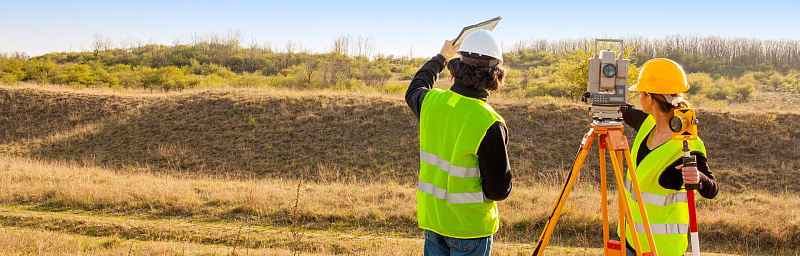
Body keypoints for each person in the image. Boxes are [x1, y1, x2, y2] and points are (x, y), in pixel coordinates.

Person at [405, 30, 512, 256]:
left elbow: (415, 87)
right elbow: (498, 190)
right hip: (469, 229)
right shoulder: (489, 122)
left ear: (457, 67)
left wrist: (442, 56)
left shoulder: (431, 103)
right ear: (496, 74)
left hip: (433, 222)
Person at [617, 58, 719, 256]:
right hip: (631, 239)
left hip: (662, 249)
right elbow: (625, 111)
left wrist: (699, 179)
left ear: (648, 98)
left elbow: (712, 189)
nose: (639, 98)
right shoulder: (647, 123)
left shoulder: (687, 144)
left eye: (640, 93)